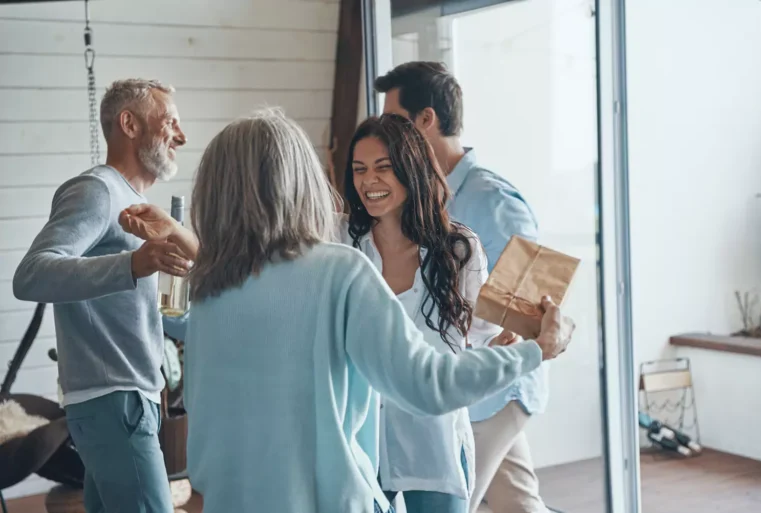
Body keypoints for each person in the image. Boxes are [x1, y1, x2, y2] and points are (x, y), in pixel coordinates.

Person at [117, 108, 574, 513]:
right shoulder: (340, 269)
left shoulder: (211, 288)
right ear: (299, 181)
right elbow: (429, 384)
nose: (366, 181)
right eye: (358, 169)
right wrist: (538, 349)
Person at [375, 61, 548, 513]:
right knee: (520, 504)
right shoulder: (415, 196)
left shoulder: (491, 199)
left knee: (455, 502)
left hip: (491, 393)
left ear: (425, 120)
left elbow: (529, 302)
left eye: (394, 119)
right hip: (460, 391)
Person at [12, 79, 189, 512]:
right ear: (128, 123)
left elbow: (134, 305)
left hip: (128, 398)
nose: (182, 137)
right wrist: (133, 264)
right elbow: (31, 276)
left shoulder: (136, 204)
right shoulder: (97, 190)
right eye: (170, 122)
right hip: (113, 400)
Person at [339, 113, 516, 513]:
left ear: (411, 169)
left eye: (383, 168)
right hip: (358, 442)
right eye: (359, 169)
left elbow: (478, 342)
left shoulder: (458, 251)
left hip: (433, 443)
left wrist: (502, 350)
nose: (369, 181)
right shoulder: (341, 244)